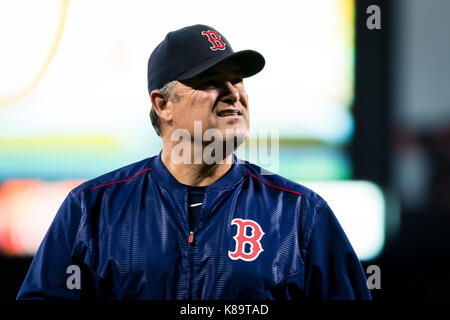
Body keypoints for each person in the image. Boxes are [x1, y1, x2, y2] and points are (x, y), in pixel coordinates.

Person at [17, 24, 371, 300]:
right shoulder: (92, 209)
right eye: (212, 81)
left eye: (238, 79)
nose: (234, 92)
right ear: (162, 105)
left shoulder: (300, 213)